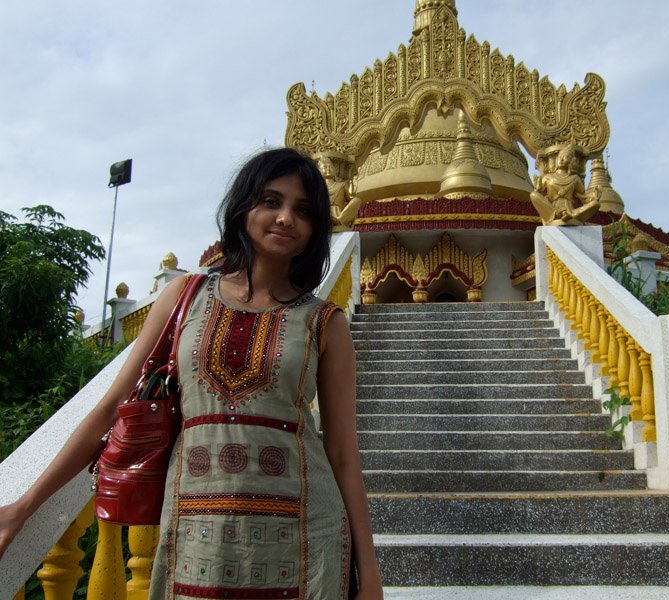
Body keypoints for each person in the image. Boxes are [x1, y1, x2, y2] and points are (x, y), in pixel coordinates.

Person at [0, 147, 383, 600]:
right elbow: (110, 407)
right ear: (243, 209)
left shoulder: (325, 322)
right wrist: (24, 506)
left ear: (316, 227)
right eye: (271, 201)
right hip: (197, 529)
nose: (284, 218)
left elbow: (342, 454)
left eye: (302, 211)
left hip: (305, 532)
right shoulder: (186, 296)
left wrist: (370, 575)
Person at [530, 144, 600, 226]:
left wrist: (594, 197)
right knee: (533, 195)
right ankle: (557, 214)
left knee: (596, 204)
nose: (561, 159)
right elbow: (541, 196)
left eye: (565, 157)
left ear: (571, 161)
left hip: (569, 210)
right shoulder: (548, 177)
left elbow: (583, 197)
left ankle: (572, 215)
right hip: (552, 208)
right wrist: (538, 190)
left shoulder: (575, 178)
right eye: (560, 157)